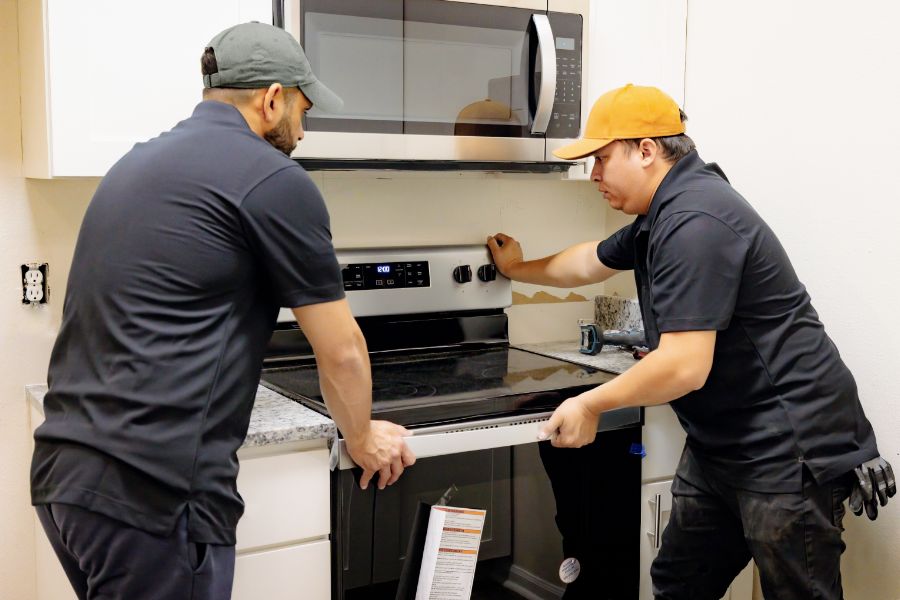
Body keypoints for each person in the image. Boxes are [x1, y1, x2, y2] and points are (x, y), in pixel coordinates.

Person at [30, 22, 415, 600]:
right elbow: (341, 351)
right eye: (304, 111)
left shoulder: (135, 163)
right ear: (271, 98)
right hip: (154, 500)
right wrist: (360, 436)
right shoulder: (275, 180)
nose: (303, 132)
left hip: (64, 477)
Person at [487, 84, 895, 599]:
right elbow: (588, 261)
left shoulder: (694, 219)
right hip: (721, 445)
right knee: (680, 583)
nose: (593, 174)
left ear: (646, 150)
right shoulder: (660, 215)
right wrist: (516, 268)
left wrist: (590, 403)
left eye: (601, 159)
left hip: (787, 447)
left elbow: (684, 365)